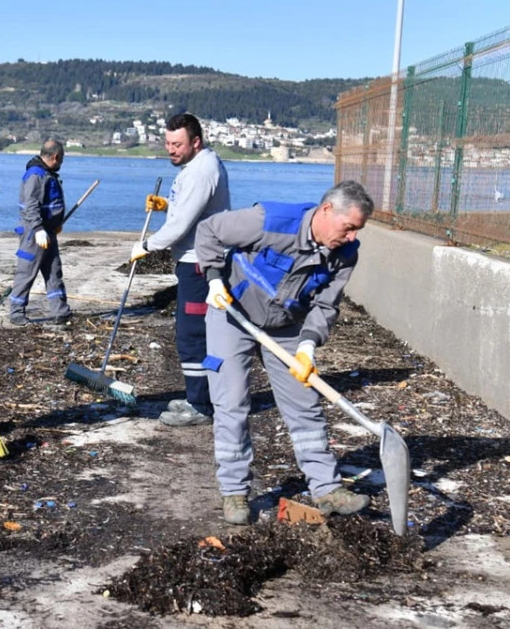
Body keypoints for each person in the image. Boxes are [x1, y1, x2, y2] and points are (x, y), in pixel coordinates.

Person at [196, 179, 374, 525]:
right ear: (326, 211)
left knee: (304, 405)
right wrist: (215, 278)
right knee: (232, 402)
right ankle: (234, 492)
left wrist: (308, 344)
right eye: (349, 227)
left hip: (288, 325)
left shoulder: (346, 253)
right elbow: (209, 230)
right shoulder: (270, 221)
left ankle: (326, 489)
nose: (352, 236)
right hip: (233, 313)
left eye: (357, 230)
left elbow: (326, 306)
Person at [130, 113, 231, 427]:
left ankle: (201, 405)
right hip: (192, 261)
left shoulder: (202, 171)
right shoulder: (196, 167)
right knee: (192, 332)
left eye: (177, 144)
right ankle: (197, 395)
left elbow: (182, 224)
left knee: (192, 334)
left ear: (196, 142)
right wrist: (165, 204)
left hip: (200, 264)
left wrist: (147, 246)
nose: (171, 149)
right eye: (168, 143)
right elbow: (186, 209)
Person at [8, 139, 72, 326]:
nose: (61, 162)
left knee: (53, 272)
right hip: (34, 234)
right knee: (26, 273)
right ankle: (17, 313)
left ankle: (61, 311)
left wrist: (55, 223)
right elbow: (31, 205)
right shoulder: (36, 175)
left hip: (49, 231)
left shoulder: (47, 173)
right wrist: (38, 229)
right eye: (62, 159)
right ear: (55, 156)